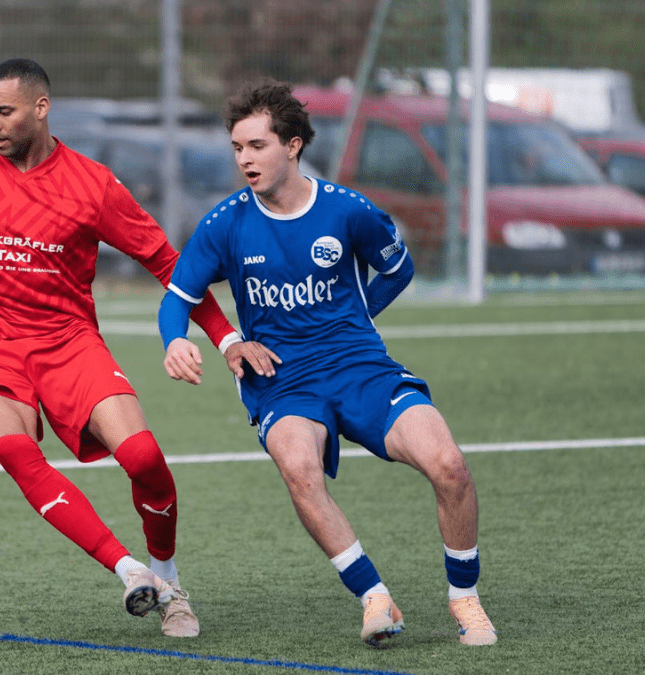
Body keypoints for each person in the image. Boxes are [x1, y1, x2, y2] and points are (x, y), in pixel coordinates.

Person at [0, 58, 252, 638]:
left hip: (68, 344)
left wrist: (226, 337)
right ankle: (129, 570)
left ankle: (168, 580)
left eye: (4, 112)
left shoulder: (92, 184)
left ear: (41, 108)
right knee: (15, 448)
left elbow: (169, 264)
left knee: (144, 459)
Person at [157, 79, 498, 647]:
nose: (245, 159)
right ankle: (375, 598)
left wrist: (357, 319)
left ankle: (465, 599)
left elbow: (398, 268)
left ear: (292, 145)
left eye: (257, 146)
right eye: (237, 147)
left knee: (450, 465)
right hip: (281, 379)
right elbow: (177, 299)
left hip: (361, 366)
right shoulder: (226, 222)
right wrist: (190, 342)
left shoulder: (346, 210)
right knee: (299, 469)